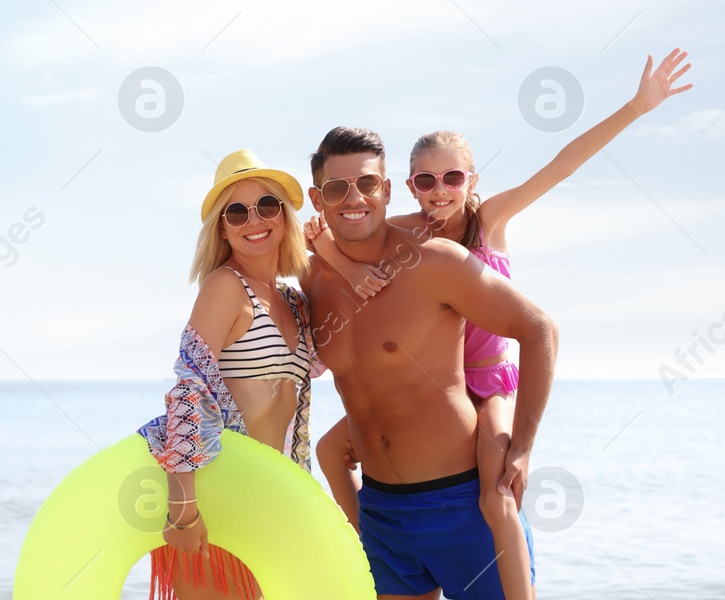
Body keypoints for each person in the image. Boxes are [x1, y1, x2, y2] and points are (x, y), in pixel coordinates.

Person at [310, 49, 693, 599]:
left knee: (498, 494)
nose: (440, 189)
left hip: (489, 379)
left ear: (471, 179)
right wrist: (317, 240)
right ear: (410, 185)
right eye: (426, 179)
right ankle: (364, 539)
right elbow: (348, 224)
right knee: (330, 450)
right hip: (424, 417)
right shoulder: (409, 232)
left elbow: (561, 166)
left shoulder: (487, 221)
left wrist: (636, 106)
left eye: (452, 177)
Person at [298, 126, 559, 600]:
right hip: (380, 513)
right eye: (337, 188)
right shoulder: (310, 278)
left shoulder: (436, 261)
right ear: (318, 198)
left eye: (368, 184)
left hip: (462, 503)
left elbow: (539, 330)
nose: (353, 198)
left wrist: (521, 445)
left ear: (388, 190)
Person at [137, 149, 318, 600]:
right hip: (215, 494)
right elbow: (188, 388)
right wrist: (183, 506)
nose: (254, 219)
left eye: (267, 205)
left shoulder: (295, 301)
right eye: (236, 211)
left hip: (268, 497)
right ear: (222, 227)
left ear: (285, 215)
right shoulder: (224, 287)